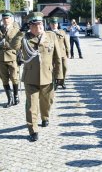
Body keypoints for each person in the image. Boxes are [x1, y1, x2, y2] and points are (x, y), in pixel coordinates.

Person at [11, 12, 63, 142]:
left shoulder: (51, 36)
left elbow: (58, 58)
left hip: (47, 77)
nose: (38, 27)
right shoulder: (25, 38)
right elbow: (13, 46)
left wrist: (59, 75)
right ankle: (33, 130)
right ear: (30, 26)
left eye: (40, 24)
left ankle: (45, 117)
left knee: (47, 102)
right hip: (31, 78)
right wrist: (20, 32)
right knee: (31, 106)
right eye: (35, 25)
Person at [0, 10, 21, 108]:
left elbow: (20, 43)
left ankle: (16, 96)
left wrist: (21, 56)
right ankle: (10, 99)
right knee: (4, 79)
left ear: (11, 19)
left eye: (7, 18)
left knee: (14, 78)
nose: (5, 20)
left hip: (12, 56)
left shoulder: (16, 29)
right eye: (4, 18)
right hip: (0, 57)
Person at [49, 17, 70, 90]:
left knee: (64, 68)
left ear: (57, 24)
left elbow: (66, 42)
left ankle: (62, 82)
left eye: (55, 23)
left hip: (62, 53)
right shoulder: (48, 33)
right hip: (53, 54)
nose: (54, 25)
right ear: (50, 24)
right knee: (55, 69)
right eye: (52, 23)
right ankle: (55, 82)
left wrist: (68, 51)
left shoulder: (62, 32)